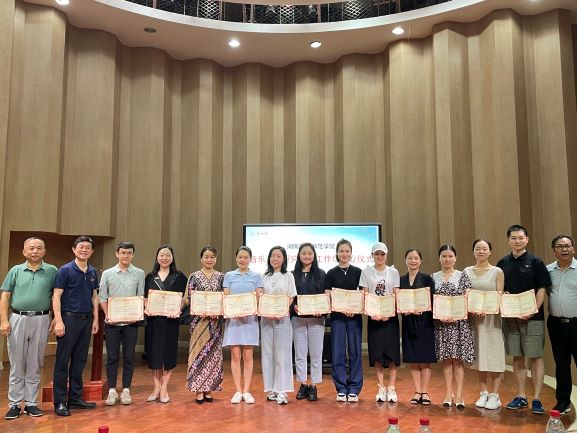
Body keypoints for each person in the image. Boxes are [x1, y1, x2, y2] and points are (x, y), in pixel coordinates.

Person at [0, 237, 57, 420]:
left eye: (39, 248)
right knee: (17, 362)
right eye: (31, 248)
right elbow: (5, 296)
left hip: (41, 318)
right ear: (24, 251)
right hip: (18, 318)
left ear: (44, 251)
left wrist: (56, 318)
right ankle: (15, 404)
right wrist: (4, 320)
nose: (35, 251)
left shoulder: (52, 271)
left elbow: (57, 296)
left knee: (35, 362)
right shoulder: (15, 270)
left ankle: (31, 403)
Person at [497, 224, 551, 414]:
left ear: (526, 239)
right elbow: (499, 289)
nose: (517, 241)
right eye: (513, 238)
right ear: (508, 240)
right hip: (511, 318)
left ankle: (537, 398)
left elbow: (542, 289)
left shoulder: (536, 262)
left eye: (521, 238)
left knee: (535, 357)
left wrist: (533, 309)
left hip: (533, 318)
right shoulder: (502, 263)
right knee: (517, 357)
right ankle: (521, 395)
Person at [52, 236, 100, 416]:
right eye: (81, 247)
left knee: (80, 361)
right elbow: (56, 296)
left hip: (86, 320)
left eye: (88, 247)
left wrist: (95, 319)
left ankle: (75, 398)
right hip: (68, 319)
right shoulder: (64, 270)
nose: (84, 250)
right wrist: (58, 320)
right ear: (74, 249)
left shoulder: (93, 272)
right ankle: (60, 401)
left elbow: (94, 296)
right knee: (62, 361)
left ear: (92, 251)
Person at [99, 241, 145, 407]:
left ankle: (126, 390)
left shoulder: (139, 273)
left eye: (129, 253)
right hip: (112, 323)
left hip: (131, 323)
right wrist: (108, 314)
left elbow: (140, 296)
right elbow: (102, 297)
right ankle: (112, 390)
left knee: (129, 357)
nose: (126, 255)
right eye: (123, 252)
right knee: (112, 357)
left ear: (133, 254)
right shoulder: (108, 273)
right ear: (117, 254)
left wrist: (136, 314)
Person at [464, 239, 505, 410]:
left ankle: (495, 394)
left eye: (484, 248)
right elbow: (465, 295)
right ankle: (484, 392)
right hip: (475, 319)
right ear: (473, 251)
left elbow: (499, 295)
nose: (481, 251)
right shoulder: (466, 271)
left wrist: (488, 308)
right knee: (480, 356)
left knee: (495, 355)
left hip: (492, 319)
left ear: (490, 251)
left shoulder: (497, 272)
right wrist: (472, 310)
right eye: (477, 248)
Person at [433, 244, 474, 409]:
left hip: (458, 325)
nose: (447, 259)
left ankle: (459, 395)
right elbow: (431, 301)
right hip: (441, 324)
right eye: (444, 256)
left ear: (455, 258)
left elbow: (468, 299)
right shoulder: (433, 277)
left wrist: (455, 315)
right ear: (439, 258)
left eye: (450, 256)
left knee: (457, 361)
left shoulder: (462, 276)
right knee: (446, 361)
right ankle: (448, 393)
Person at [144, 245, 187, 404]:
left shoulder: (179, 277)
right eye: (161, 255)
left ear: (172, 257)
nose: (164, 258)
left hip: (171, 321)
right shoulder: (150, 277)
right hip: (154, 322)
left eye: (168, 255)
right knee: (154, 355)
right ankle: (156, 387)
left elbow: (185, 299)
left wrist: (178, 308)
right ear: (157, 257)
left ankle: (164, 388)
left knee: (168, 354)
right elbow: (145, 298)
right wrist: (147, 306)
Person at [359, 242, 400, 403]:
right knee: (376, 354)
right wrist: (372, 313)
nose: (380, 257)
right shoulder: (366, 272)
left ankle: (392, 387)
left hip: (390, 319)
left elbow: (396, 294)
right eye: (377, 254)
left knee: (392, 354)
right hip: (374, 318)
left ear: (386, 255)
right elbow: (365, 294)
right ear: (372, 255)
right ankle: (381, 387)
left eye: (382, 254)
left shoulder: (393, 272)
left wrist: (389, 312)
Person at [223, 246, 263, 404]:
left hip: (249, 320)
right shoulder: (229, 276)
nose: (242, 260)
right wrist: (235, 311)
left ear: (250, 259)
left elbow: (258, 298)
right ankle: (237, 390)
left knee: (248, 356)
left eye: (246, 257)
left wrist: (248, 310)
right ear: (236, 258)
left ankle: (246, 391)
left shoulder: (257, 276)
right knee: (235, 356)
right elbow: (226, 297)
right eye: (240, 257)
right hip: (234, 320)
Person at [324, 239, 363, 402]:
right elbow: (327, 295)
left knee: (355, 351)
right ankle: (341, 388)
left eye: (347, 251)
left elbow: (363, 294)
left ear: (351, 253)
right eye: (341, 251)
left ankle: (354, 388)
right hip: (337, 318)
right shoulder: (331, 273)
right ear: (337, 253)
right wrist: (337, 307)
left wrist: (355, 308)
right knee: (338, 352)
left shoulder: (358, 272)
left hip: (355, 317)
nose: (344, 254)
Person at [186, 246, 225, 404]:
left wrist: (219, 310)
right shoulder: (194, 276)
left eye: (212, 257)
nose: (209, 259)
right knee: (198, 355)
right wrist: (198, 308)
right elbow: (188, 298)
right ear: (201, 258)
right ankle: (198, 390)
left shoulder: (221, 277)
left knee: (213, 356)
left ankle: (209, 389)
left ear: (216, 259)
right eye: (206, 256)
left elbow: (225, 298)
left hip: (215, 323)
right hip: (199, 323)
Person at [399, 248, 436, 406]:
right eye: (410, 258)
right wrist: (403, 309)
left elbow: (433, 300)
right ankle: (417, 391)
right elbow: (398, 300)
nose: (413, 261)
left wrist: (424, 308)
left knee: (424, 359)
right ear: (405, 260)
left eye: (416, 258)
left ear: (420, 261)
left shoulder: (427, 279)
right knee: (413, 359)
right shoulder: (401, 280)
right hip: (408, 323)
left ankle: (425, 392)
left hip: (425, 323)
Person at [261, 246, 296, 405]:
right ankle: (272, 388)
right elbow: (260, 297)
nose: (275, 259)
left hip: (282, 319)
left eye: (278, 256)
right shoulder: (263, 276)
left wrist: (281, 310)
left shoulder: (288, 276)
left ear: (284, 259)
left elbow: (291, 297)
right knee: (268, 353)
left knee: (282, 354)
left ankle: (282, 390)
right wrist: (267, 311)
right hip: (267, 319)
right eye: (273, 256)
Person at [291, 243, 326, 402]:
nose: (306, 256)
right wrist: (294, 306)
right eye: (303, 253)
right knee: (300, 354)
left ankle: (313, 385)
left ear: (314, 255)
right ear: (299, 255)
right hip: (298, 318)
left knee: (316, 354)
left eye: (309, 253)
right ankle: (303, 384)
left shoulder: (321, 274)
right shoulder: (292, 275)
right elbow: (290, 296)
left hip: (316, 319)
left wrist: (322, 309)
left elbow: (325, 297)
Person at [546, 234, 577, 415]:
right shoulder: (548, 270)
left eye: (567, 246)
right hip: (556, 324)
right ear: (554, 250)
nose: (564, 249)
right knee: (561, 364)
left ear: (573, 248)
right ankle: (563, 402)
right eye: (560, 246)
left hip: (576, 323)